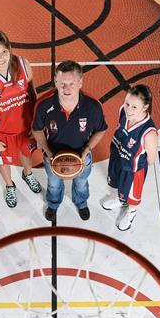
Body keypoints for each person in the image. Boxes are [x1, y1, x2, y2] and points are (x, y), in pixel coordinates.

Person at [32, 60, 108, 222]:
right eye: (62, 83)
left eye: (72, 83)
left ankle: (81, 203)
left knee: (81, 183)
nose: (66, 88)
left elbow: (101, 129)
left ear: (80, 82)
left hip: (82, 157)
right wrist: (48, 151)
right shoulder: (44, 105)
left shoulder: (92, 106)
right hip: (52, 157)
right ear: (55, 81)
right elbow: (37, 130)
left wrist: (87, 150)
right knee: (53, 184)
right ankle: (53, 204)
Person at [0, 30, 41, 208]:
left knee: (27, 152)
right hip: (1, 131)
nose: (1, 57)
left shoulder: (22, 64)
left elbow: (33, 93)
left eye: (4, 51)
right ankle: (10, 185)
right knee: (2, 160)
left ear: (10, 49)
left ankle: (28, 174)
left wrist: (35, 122)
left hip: (25, 125)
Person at [101, 84, 158, 231]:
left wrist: (135, 159)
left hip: (133, 170)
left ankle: (131, 212)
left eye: (134, 107)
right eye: (127, 104)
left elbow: (151, 160)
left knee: (133, 197)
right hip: (117, 159)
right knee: (117, 185)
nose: (128, 109)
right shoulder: (123, 111)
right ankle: (120, 200)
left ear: (145, 107)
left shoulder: (149, 133)